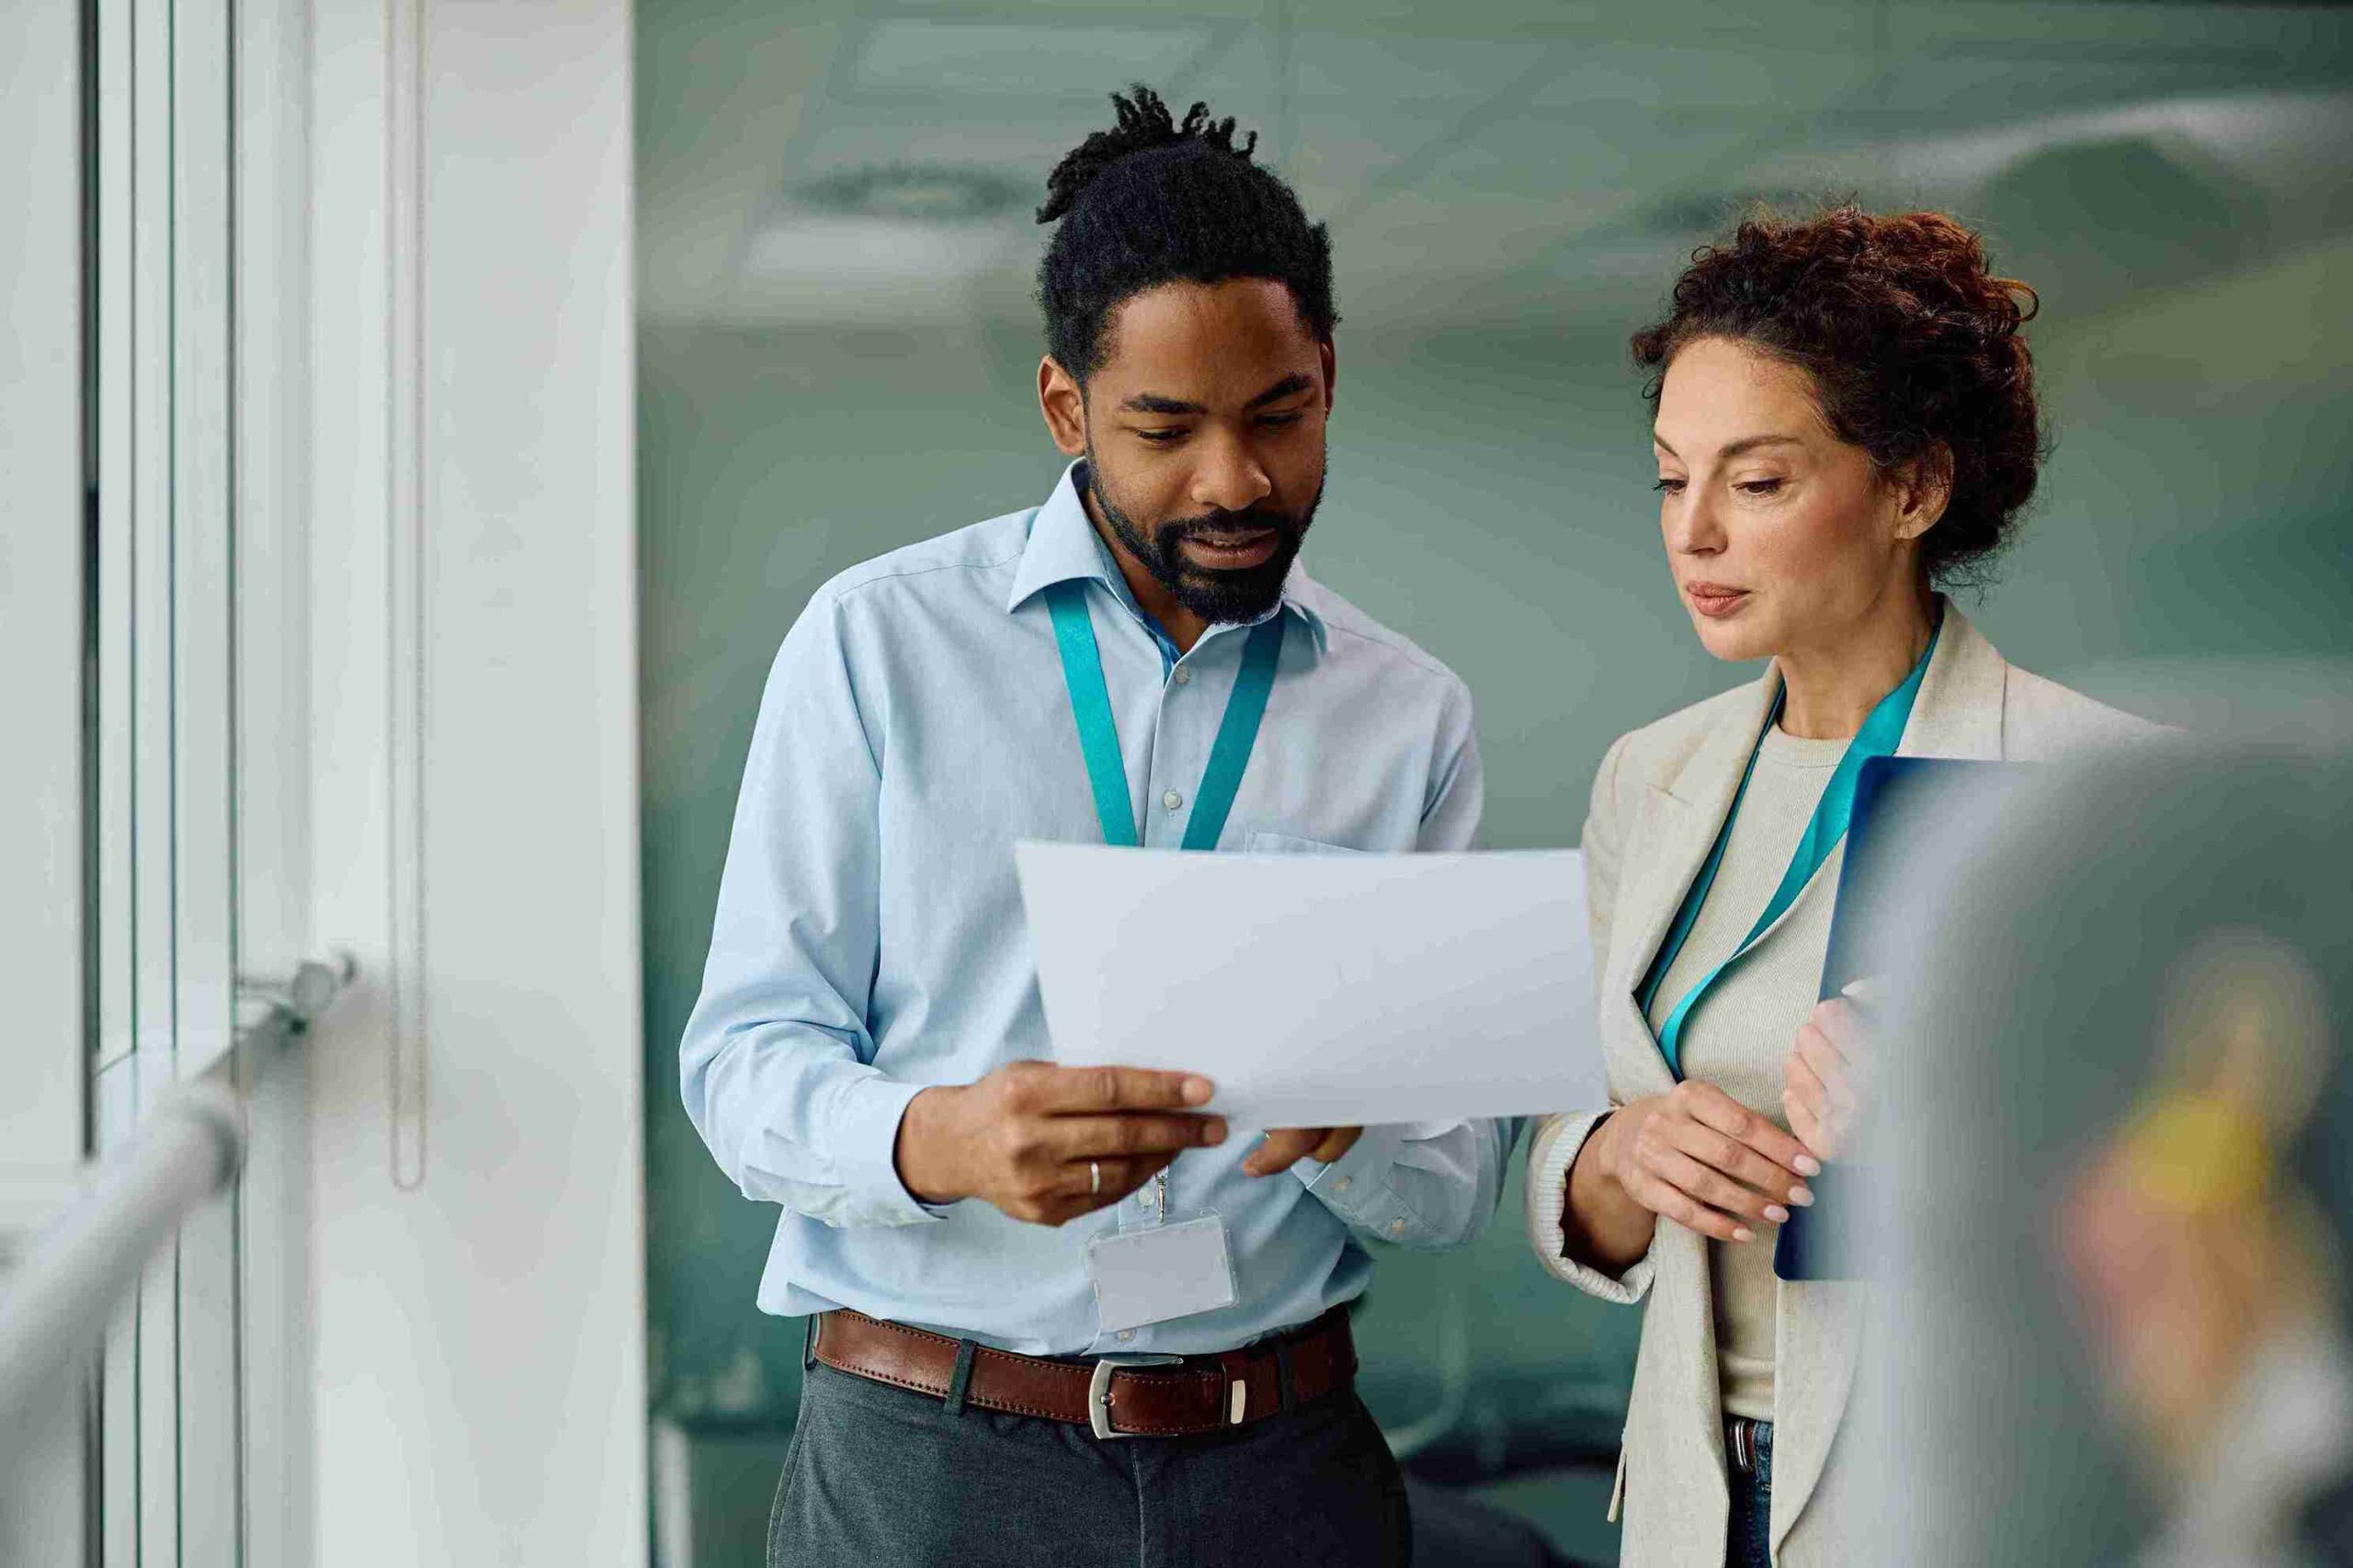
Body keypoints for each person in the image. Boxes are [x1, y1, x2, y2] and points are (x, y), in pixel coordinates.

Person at [682, 85, 1513, 1568]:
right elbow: (741, 1062)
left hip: (1283, 1468)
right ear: (1068, 409)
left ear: (1327, 371)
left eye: (1280, 414)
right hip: (929, 1461)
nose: (1236, 480)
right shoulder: (878, 645)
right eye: (1166, 427)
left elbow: (1448, 1185)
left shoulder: (1412, 715)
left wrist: (1353, 1114)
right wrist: (939, 1136)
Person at [1523, 206, 2161, 1566]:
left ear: (1914, 489)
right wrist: (1620, 1156)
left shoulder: (2093, 791)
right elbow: (1567, 1155)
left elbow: (2213, 1219)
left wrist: (1973, 1117)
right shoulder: (1651, 778)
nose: (1692, 533)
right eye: (1667, 478)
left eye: (1755, 484)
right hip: (1696, 1501)